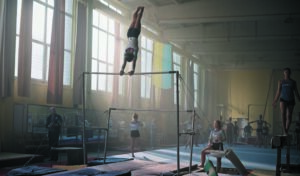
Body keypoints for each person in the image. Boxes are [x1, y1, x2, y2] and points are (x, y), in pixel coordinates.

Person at [272, 67, 300, 135]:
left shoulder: (293, 82)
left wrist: (299, 99)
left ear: (290, 73)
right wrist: (275, 101)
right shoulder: (281, 82)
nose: (286, 73)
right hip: (283, 99)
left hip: (291, 100)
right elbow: (278, 92)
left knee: (289, 115)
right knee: (283, 114)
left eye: (288, 72)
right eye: (285, 72)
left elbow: (296, 92)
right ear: (283, 73)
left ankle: (286, 130)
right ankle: (284, 130)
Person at [120, 6, 144, 76]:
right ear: (132, 54)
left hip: (129, 34)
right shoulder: (135, 51)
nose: (128, 51)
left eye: (128, 52)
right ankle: (142, 9)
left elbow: (124, 63)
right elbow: (134, 62)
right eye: (129, 52)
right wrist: (133, 70)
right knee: (137, 20)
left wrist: (122, 70)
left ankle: (138, 9)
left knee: (134, 20)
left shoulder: (127, 53)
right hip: (134, 34)